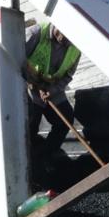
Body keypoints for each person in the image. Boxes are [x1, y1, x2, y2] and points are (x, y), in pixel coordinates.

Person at [23, 22, 80, 167]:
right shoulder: (36, 34)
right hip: (29, 84)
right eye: (66, 36)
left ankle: (46, 156)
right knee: (32, 122)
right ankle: (29, 163)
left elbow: (68, 75)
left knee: (65, 118)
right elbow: (17, 60)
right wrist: (31, 83)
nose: (68, 42)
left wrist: (52, 90)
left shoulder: (76, 46)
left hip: (51, 88)